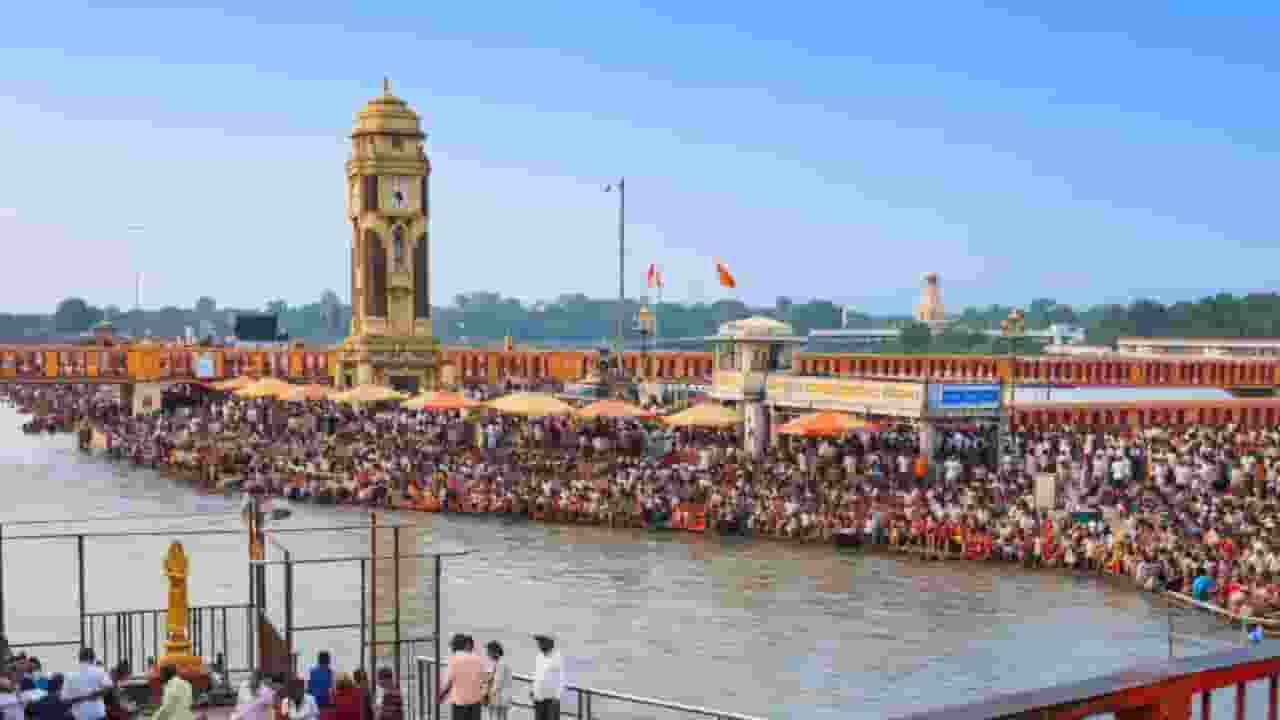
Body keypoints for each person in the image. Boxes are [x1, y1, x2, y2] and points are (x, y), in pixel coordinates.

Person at [437, 635, 486, 720]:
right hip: (475, 702)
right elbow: (483, 680)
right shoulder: (477, 658)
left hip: (460, 703)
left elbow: (448, 683)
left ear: (454, 646)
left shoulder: (453, 659)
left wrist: (440, 697)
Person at [65, 649, 109, 720]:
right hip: (97, 714)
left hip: (79, 715)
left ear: (79, 658)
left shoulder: (70, 675)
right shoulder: (100, 671)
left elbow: (65, 698)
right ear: (93, 658)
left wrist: (80, 697)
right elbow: (108, 687)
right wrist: (96, 694)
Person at [530, 636, 564, 720]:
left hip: (551, 700)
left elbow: (560, 679)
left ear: (549, 643)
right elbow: (537, 675)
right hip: (538, 697)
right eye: (539, 642)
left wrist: (556, 697)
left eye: (542, 642)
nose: (539, 645)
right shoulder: (539, 657)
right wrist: (533, 690)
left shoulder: (556, 657)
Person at [484, 642, 513, 720]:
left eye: (488, 651)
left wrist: (487, 695)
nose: (487, 654)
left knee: (498, 717)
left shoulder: (501, 664)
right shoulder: (494, 663)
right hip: (496, 698)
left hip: (500, 698)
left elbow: (497, 682)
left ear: (495, 652)